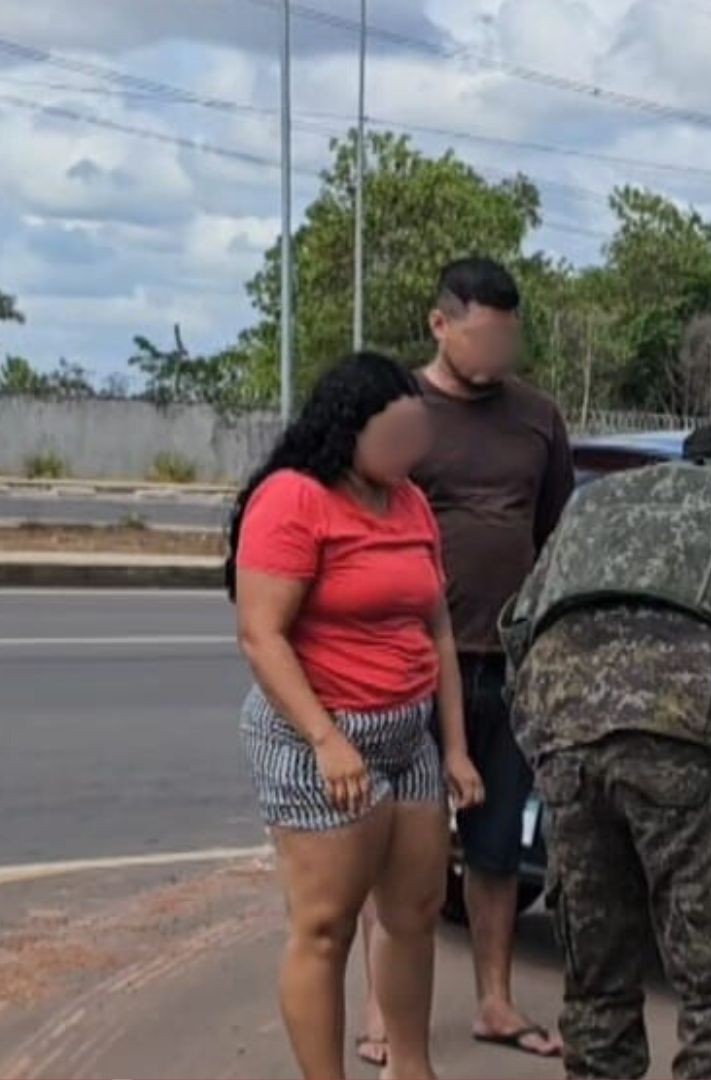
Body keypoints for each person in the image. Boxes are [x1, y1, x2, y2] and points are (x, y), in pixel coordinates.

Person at [501, 424, 711, 1079]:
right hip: (689, 741)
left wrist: (545, 749)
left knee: (597, 990)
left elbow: (520, 628)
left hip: (566, 735)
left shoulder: (600, 501)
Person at [230, 352, 485, 1080]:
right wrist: (327, 740)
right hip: (321, 739)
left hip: (409, 738)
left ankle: (410, 1067)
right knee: (324, 926)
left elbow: (436, 629)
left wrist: (457, 748)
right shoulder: (292, 498)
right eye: (397, 435)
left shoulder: (408, 502)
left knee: (415, 913)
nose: (413, 452)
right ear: (349, 428)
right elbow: (261, 635)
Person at [357, 256, 574, 1065]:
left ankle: (494, 1000)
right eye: (480, 335)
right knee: (396, 850)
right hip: (407, 668)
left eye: (506, 338)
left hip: (507, 664)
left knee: (495, 849)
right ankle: (382, 1013)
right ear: (440, 324)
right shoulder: (394, 413)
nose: (494, 354)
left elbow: (551, 534)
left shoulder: (538, 418)